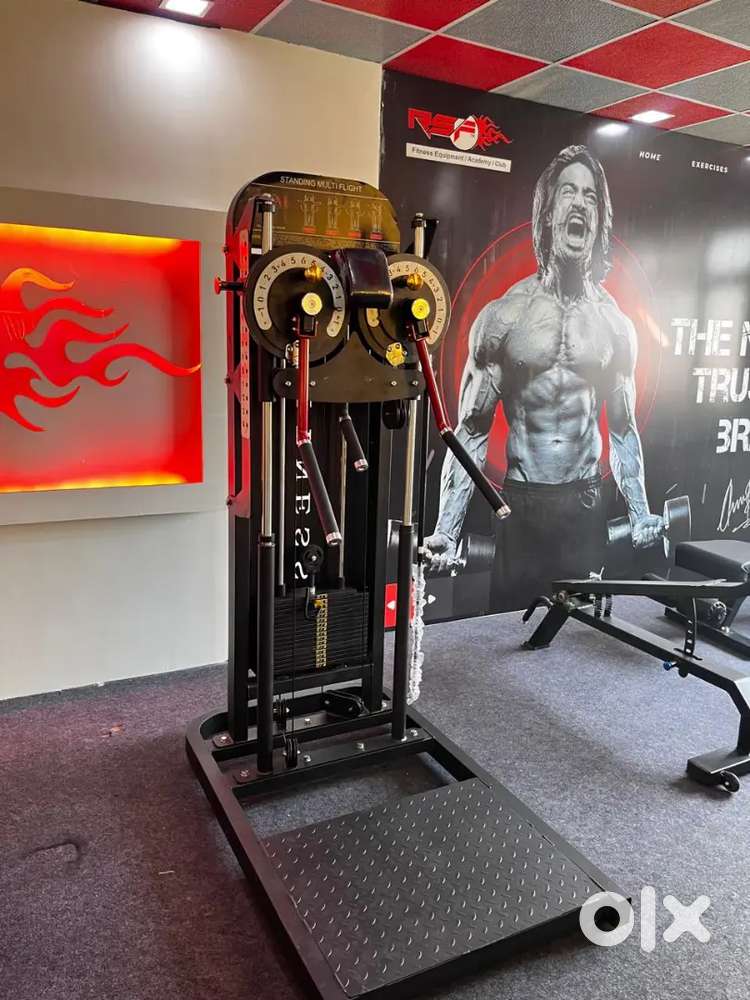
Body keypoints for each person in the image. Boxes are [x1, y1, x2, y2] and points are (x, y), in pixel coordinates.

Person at [425, 144, 662, 611]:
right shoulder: (504, 318)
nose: (580, 203)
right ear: (549, 212)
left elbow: (623, 431)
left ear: (598, 220)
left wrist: (640, 514)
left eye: (590, 196)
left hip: (584, 504)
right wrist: (446, 531)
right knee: (507, 632)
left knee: (582, 629)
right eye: (569, 192)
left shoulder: (614, 326)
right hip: (521, 506)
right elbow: (470, 431)